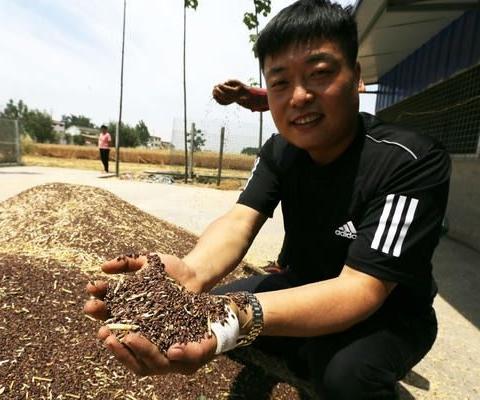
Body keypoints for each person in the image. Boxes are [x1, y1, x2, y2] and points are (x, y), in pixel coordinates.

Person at [84, 1, 450, 398]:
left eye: (320, 74)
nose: (299, 96)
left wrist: (247, 316)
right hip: (302, 283)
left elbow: (361, 289)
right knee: (205, 313)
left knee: (343, 377)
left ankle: (327, 354)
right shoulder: (280, 151)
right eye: (280, 82)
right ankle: (305, 344)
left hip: (391, 311)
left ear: (356, 77)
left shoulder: (410, 161)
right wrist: (191, 273)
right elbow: (240, 220)